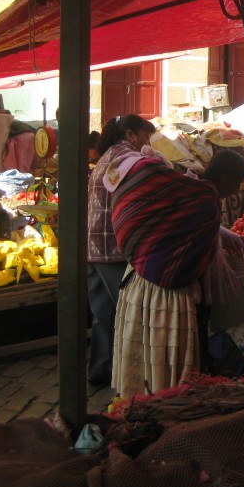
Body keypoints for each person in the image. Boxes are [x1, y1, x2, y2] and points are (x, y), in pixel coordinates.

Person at [106, 148, 244, 398]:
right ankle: (168, 401)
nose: (238, 187)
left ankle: (144, 398)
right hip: (170, 295)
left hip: (139, 282)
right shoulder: (205, 202)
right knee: (171, 363)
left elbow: (199, 231)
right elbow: (196, 244)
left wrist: (240, 241)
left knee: (148, 354)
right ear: (224, 179)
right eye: (238, 181)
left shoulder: (189, 188)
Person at [86, 114, 157, 387]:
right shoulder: (125, 158)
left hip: (95, 246)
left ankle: (101, 370)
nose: (146, 143)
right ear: (130, 134)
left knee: (103, 314)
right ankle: (132, 378)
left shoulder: (107, 156)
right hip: (112, 247)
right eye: (145, 137)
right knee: (129, 313)